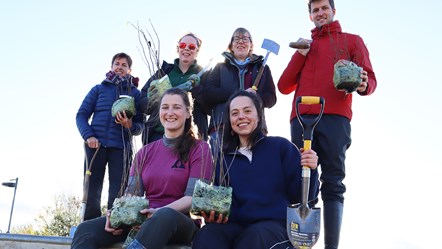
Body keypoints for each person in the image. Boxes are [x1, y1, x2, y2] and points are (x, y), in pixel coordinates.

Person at [277, 0, 377, 248]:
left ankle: (331, 245)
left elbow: (370, 78)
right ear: (310, 16)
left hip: (335, 116)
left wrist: (364, 85)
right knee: (303, 175)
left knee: (333, 179)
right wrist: (300, 54)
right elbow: (284, 85)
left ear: (334, 11)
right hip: (301, 118)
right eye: (315, 10)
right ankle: (300, 240)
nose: (320, 13)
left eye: (324, 8)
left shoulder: (352, 41)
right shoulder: (305, 47)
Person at [72, 88, 213, 249]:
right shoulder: (144, 153)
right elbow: (131, 195)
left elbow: (193, 198)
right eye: (165, 107)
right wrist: (116, 213)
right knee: (86, 229)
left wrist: (156, 212)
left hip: (180, 222)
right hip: (141, 219)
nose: (170, 112)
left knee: (163, 216)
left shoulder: (200, 149)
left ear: (188, 113)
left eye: (177, 107)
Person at [192, 90, 319, 249]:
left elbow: (305, 197)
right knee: (208, 234)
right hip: (238, 227)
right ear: (229, 120)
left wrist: (311, 169)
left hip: (275, 227)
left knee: (255, 236)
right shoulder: (223, 160)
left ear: (259, 116)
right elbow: (224, 205)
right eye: (235, 113)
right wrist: (213, 215)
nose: (241, 117)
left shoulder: (280, 147)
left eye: (247, 111)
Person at [76, 52, 144, 221]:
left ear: (130, 70)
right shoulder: (98, 89)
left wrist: (129, 125)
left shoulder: (136, 94)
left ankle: (113, 226)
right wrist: (89, 136)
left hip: (121, 148)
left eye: (124, 65)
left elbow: (140, 126)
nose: (120, 67)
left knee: (118, 192)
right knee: (92, 190)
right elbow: (81, 115)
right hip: (95, 146)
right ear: (111, 67)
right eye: (117, 64)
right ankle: (89, 226)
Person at [200, 27, 276, 154]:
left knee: (254, 169)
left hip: (254, 127)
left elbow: (272, 98)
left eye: (245, 39)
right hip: (221, 127)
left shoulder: (262, 68)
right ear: (231, 45)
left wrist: (256, 98)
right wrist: (237, 95)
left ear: (251, 45)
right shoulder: (219, 67)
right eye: (236, 39)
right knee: (222, 170)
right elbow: (208, 93)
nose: (241, 42)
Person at [140, 32, 209, 144]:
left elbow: (210, 107)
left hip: (190, 137)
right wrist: (155, 99)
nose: (186, 48)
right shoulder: (163, 73)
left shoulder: (205, 75)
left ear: (197, 52)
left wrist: (196, 90)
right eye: (182, 45)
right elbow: (142, 101)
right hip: (158, 136)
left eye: (191, 47)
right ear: (178, 48)